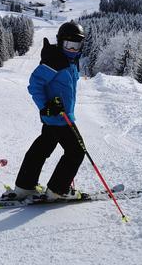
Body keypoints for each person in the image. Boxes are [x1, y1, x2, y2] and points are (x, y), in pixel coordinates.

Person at [5, 21, 86, 202]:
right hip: (59, 117)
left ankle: (25, 186)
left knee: (42, 147)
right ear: (60, 42)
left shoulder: (70, 61)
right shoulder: (55, 60)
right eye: (68, 45)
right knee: (76, 152)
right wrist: (46, 106)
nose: (72, 49)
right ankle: (58, 190)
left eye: (76, 45)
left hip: (58, 116)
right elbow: (34, 85)